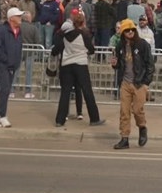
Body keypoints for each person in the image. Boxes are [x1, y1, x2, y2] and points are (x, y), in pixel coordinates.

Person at [53, 14, 105, 127]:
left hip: (66, 64)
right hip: (80, 64)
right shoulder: (84, 34)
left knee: (65, 92)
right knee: (87, 91)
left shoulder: (64, 34)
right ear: (83, 23)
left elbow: (57, 48)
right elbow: (91, 50)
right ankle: (94, 118)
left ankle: (60, 120)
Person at [112, 18, 153, 149]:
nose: (130, 32)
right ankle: (124, 138)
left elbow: (150, 65)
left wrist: (146, 83)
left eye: (132, 30)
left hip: (139, 83)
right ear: (123, 32)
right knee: (124, 112)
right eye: (127, 30)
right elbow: (119, 64)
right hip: (125, 82)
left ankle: (142, 127)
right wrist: (115, 64)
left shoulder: (142, 45)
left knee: (137, 110)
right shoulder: (120, 46)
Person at [0, 7, 24, 127]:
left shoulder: (19, 31)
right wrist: (6, 59)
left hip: (12, 66)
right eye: (18, 16)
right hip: (2, 65)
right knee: (5, 89)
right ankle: (3, 116)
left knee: (6, 90)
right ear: (11, 18)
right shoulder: (2, 30)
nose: (20, 18)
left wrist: (16, 61)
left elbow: (18, 47)